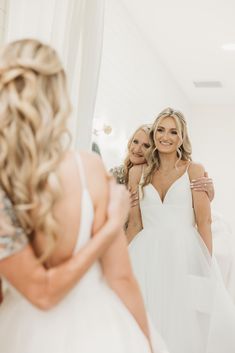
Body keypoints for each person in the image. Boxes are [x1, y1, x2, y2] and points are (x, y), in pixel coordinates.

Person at [0, 39, 168, 353]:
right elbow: (121, 278)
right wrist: (147, 343)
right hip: (99, 331)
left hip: (20, 332)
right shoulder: (88, 168)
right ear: (58, 99)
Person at [127, 108, 235, 353]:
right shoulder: (138, 173)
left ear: (182, 137)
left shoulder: (194, 170)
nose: (166, 137)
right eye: (161, 130)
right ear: (154, 134)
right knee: (145, 316)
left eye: (173, 132)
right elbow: (135, 223)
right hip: (146, 254)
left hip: (183, 252)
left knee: (181, 320)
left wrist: (206, 266)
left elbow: (204, 222)